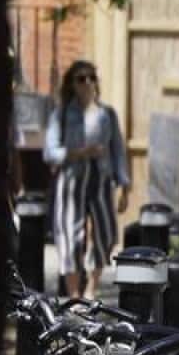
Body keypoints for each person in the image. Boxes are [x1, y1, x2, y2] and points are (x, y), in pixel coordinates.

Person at [44, 60, 130, 299]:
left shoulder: (106, 115)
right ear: (72, 83)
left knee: (106, 233)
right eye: (81, 79)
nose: (88, 83)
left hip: (101, 179)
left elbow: (118, 151)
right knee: (70, 235)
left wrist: (124, 186)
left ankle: (91, 289)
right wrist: (77, 153)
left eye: (91, 77)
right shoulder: (61, 115)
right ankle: (73, 294)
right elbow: (50, 151)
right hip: (71, 180)